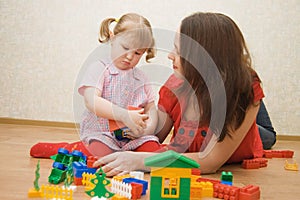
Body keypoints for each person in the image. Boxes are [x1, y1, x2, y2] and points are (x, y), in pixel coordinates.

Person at [92, 12, 267, 176]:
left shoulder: (245, 87)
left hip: (238, 112)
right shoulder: (175, 85)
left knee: (267, 134)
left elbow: (210, 161)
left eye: (178, 50)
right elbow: (155, 134)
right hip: (212, 95)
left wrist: (139, 161)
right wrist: (126, 123)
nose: (169, 56)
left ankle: (258, 123)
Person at [30, 13, 160, 158]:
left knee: (153, 153)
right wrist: (124, 115)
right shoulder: (99, 69)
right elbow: (91, 101)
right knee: (99, 154)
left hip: (133, 139)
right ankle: (65, 150)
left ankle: (152, 153)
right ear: (113, 37)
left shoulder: (142, 78)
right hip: (102, 135)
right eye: (125, 48)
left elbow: (151, 110)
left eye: (137, 53)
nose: (129, 56)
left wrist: (146, 130)